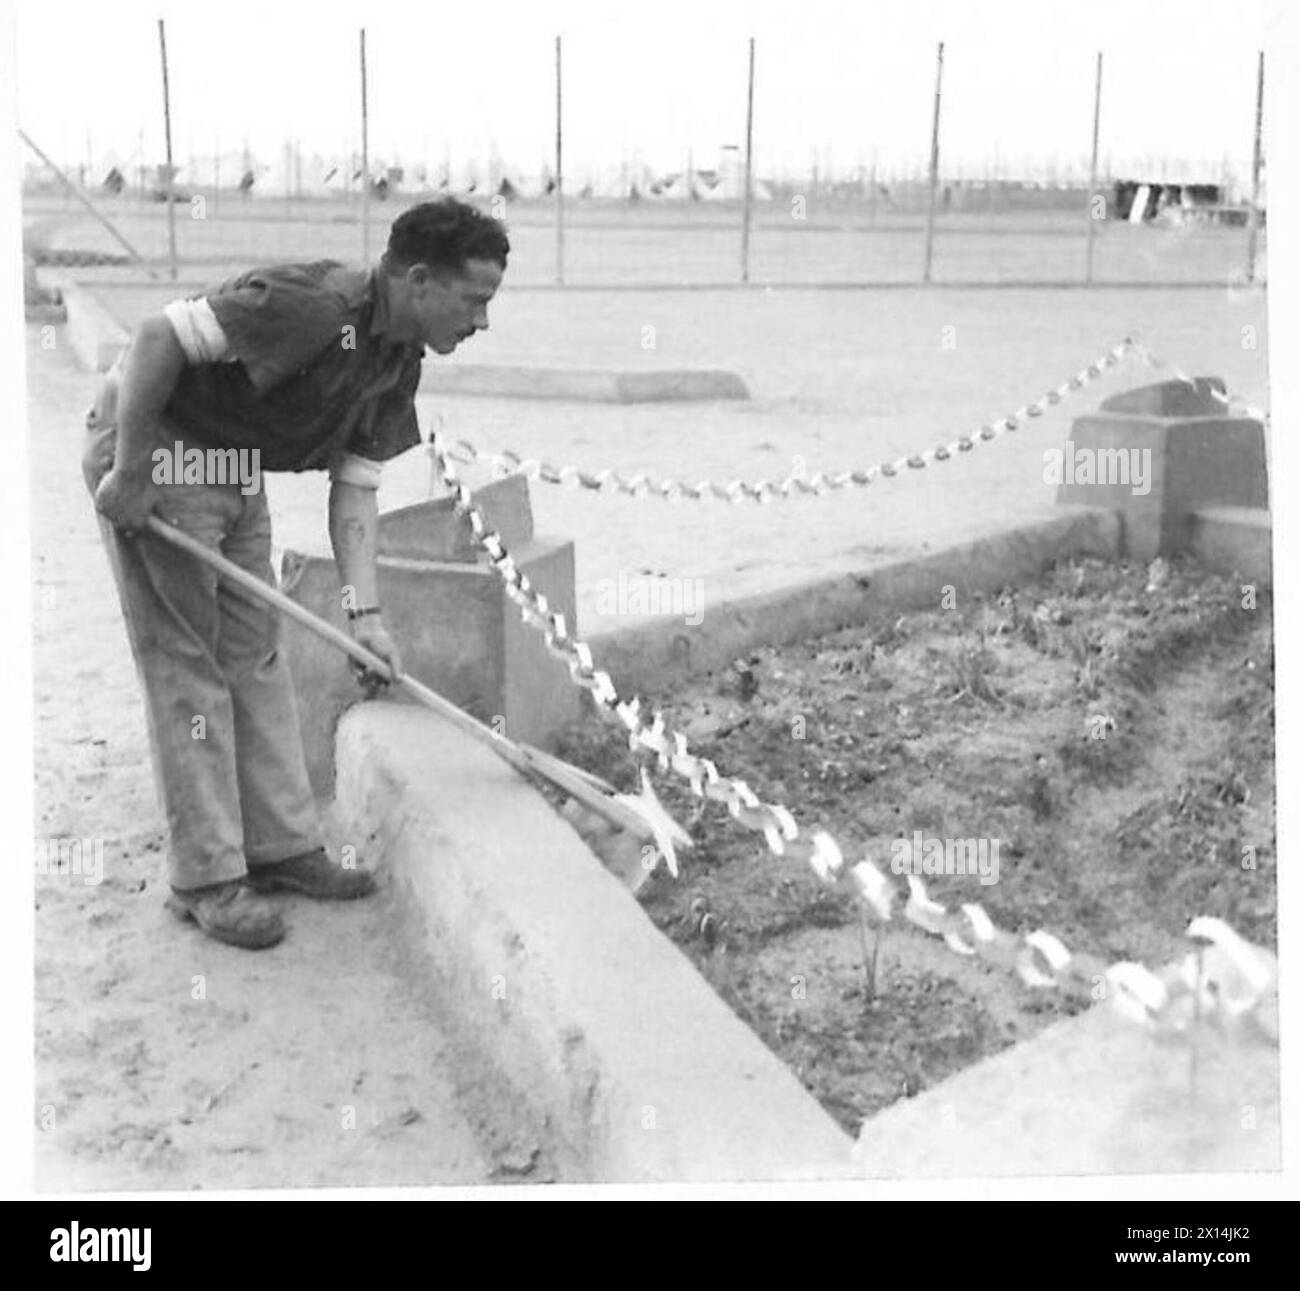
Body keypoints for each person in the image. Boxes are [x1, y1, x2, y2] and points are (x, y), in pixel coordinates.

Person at [82, 199, 509, 949]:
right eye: (474, 300)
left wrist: (364, 617)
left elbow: (354, 494)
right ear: (416, 279)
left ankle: (280, 848)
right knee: (191, 665)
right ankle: (207, 878)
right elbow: (157, 337)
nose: (481, 323)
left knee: (256, 652)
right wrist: (128, 466)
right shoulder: (315, 308)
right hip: (162, 451)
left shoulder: (396, 360)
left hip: (233, 464)